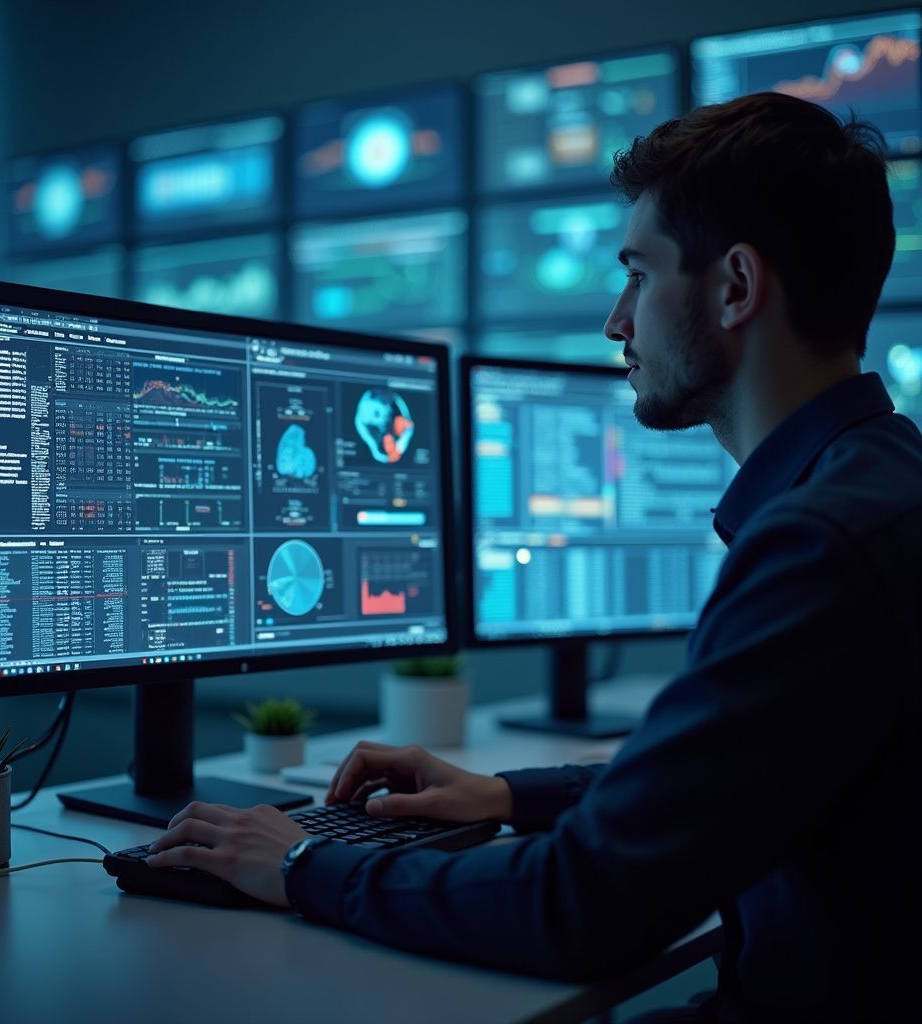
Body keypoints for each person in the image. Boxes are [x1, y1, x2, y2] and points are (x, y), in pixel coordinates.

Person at [145, 93, 922, 1022]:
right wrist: (506, 793)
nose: (615, 321)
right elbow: (738, 780)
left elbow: (584, 906)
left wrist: (306, 863)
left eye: (638, 274)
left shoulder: (819, 547)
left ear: (736, 287)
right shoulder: (884, 484)